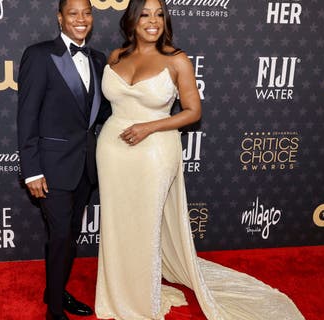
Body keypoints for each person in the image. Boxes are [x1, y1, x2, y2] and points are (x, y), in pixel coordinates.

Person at [94, 0, 305, 319]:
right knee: (117, 223)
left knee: (145, 224)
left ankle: (140, 298)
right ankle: (116, 291)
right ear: (132, 20)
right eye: (146, 15)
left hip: (154, 150)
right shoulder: (115, 57)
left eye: (160, 15)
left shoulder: (177, 60)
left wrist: (149, 126)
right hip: (112, 150)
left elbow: (193, 112)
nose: (153, 21)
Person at [16, 0, 110, 319]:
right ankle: (54, 311)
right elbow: (27, 117)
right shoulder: (40, 55)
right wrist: (31, 171)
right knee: (60, 236)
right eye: (73, 13)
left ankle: (54, 290)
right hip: (51, 167)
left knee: (71, 234)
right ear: (60, 18)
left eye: (86, 13)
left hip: (85, 166)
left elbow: (103, 112)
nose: (81, 19)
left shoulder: (98, 60)